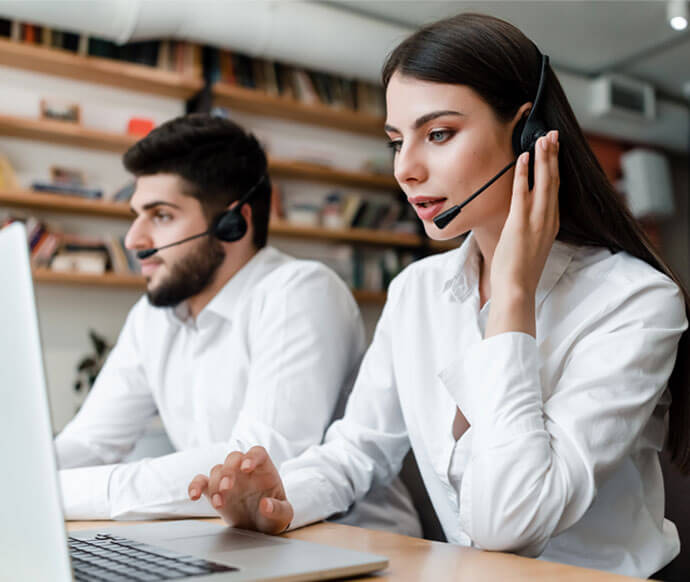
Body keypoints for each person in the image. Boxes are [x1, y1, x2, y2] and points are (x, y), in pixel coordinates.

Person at [188, 13, 690, 578]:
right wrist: (281, 499)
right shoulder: (415, 293)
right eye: (398, 142)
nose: (406, 169)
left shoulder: (636, 300)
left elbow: (510, 523)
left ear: (526, 133)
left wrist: (513, 294)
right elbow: (360, 450)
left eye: (439, 134)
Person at [55, 114, 420, 537]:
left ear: (233, 223)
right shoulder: (153, 316)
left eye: (160, 216)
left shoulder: (300, 292)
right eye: (137, 215)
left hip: (357, 544)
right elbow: (90, 443)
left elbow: (258, 460)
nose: (133, 240)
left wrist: (57, 492)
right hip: (239, 540)